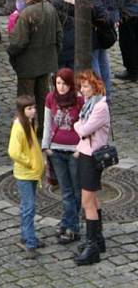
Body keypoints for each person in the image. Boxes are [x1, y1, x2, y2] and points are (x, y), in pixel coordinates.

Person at [7, 0, 63, 133]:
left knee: (26, 98)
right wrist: (54, 55)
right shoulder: (50, 8)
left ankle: (27, 129)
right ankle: (45, 128)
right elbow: (59, 35)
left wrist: (11, 53)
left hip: (28, 64)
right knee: (43, 97)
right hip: (46, 62)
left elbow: (19, 42)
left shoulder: (26, 13)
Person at [40, 68, 83, 245]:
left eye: (64, 83)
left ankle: (72, 225)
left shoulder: (79, 100)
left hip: (74, 151)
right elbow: (47, 122)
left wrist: (80, 148)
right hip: (56, 151)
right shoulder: (51, 98)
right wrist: (45, 146)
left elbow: (85, 125)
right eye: (58, 83)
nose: (61, 87)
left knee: (76, 190)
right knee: (66, 191)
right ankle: (68, 223)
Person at [73, 70, 111, 266]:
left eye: (87, 86)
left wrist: (78, 125)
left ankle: (92, 246)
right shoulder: (91, 105)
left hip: (91, 157)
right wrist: (80, 125)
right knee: (93, 199)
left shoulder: (99, 107)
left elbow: (83, 129)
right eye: (82, 86)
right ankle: (98, 239)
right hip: (86, 155)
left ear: (95, 86)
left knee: (87, 202)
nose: (83, 89)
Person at [8, 95, 45, 259]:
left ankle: (27, 236)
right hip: (25, 173)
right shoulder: (19, 127)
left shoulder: (29, 123)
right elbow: (14, 152)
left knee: (27, 207)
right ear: (22, 111)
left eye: (34, 107)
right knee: (29, 208)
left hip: (30, 173)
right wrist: (30, 162)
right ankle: (29, 242)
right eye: (29, 109)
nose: (33, 111)